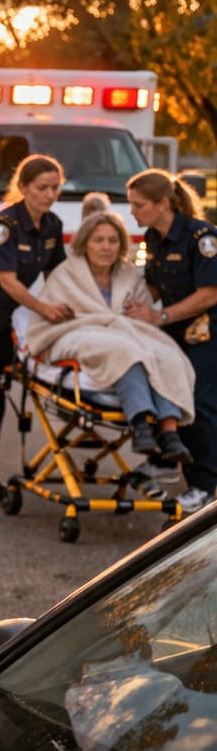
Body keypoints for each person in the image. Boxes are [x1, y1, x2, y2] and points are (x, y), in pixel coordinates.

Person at [23, 201, 194, 461]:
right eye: (98, 240)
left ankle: (169, 433)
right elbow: (50, 315)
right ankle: (140, 425)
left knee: (166, 352)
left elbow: (143, 311)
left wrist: (138, 313)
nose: (106, 247)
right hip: (75, 331)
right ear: (85, 243)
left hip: (126, 332)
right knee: (123, 350)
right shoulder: (66, 273)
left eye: (113, 241)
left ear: (121, 245)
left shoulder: (128, 275)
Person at [0, 154, 72, 505]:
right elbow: (7, 281)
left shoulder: (51, 225)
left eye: (55, 188)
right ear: (22, 188)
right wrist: (45, 309)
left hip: (6, 320)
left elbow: (58, 275)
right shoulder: (5, 224)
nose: (49, 195)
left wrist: (74, 308)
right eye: (42, 188)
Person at [123, 169, 217, 507]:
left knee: (200, 403)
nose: (132, 211)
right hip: (174, 330)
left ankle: (206, 487)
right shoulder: (152, 237)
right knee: (170, 392)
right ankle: (172, 466)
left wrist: (159, 315)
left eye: (138, 205)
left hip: (207, 330)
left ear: (163, 203)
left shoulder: (201, 237)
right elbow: (153, 284)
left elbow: (209, 294)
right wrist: (139, 302)